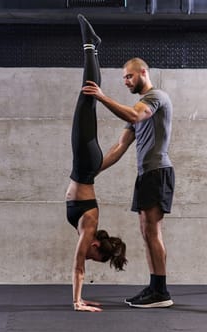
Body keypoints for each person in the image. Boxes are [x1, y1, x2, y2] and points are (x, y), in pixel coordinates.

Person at [81, 57, 175, 308]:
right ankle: (155, 286)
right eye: (123, 78)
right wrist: (91, 172)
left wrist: (101, 97)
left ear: (143, 72)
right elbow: (119, 146)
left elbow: (135, 115)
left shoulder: (156, 98)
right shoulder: (138, 110)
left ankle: (161, 291)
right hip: (146, 175)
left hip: (157, 172)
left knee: (152, 230)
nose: (125, 81)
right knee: (146, 231)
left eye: (129, 76)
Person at [65, 14, 127, 312]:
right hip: (85, 167)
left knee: (87, 100)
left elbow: (113, 154)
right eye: (96, 257)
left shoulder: (87, 230)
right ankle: (91, 44)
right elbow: (78, 266)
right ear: (96, 247)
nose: (90, 258)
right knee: (88, 96)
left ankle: (92, 45)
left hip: (87, 168)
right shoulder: (88, 229)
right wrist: (78, 302)